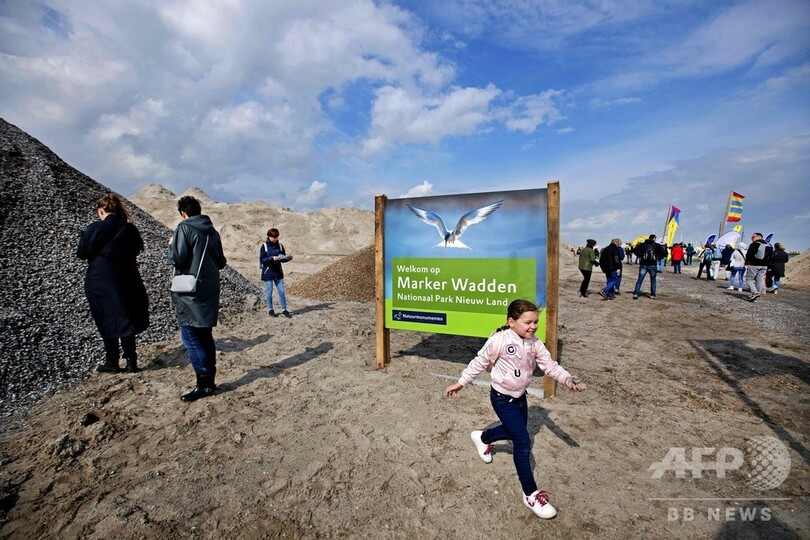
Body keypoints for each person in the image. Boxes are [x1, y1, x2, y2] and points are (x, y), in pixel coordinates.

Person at [444, 299, 586, 519]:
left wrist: (566, 378)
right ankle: (530, 493)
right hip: (501, 399)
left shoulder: (535, 343)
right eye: (527, 322)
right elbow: (479, 362)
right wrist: (461, 382)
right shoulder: (499, 340)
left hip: (520, 398)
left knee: (513, 432)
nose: (533, 326)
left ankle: (483, 438)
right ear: (511, 321)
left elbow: (549, 365)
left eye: (536, 322)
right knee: (522, 441)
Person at [77, 193, 149, 373]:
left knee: (105, 317)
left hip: (100, 280)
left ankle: (112, 361)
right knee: (126, 316)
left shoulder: (94, 228)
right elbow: (137, 249)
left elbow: (82, 253)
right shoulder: (129, 229)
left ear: (101, 210)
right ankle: (131, 361)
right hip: (127, 277)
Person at [167, 195, 228, 401]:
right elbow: (221, 262)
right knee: (205, 335)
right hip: (209, 289)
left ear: (183, 213)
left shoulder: (184, 228)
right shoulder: (213, 232)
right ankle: (208, 381)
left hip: (190, 292)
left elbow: (176, 258)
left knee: (191, 336)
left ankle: (204, 384)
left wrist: (171, 244)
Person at [260, 228, 293, 317]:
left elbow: (282, 259)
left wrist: (287, 258)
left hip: (278, 272)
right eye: (272, 237)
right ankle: (270, 309)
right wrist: (272, 258)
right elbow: (262, 260)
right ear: (268, 236)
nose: (274, 238)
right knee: (269, 292)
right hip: (268, 272)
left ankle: (284, 309)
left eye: (276, 237)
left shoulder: (280, 246)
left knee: (281, 291)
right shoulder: (264, 246)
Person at [632, 234, 666, 299]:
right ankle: (652, 294)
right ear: (654, 238)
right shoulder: (657, 245)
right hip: (653, 264)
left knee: (640, 279)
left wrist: (641, 255)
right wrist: (658, 257)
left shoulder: (642, 245)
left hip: (643, 264)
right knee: (653, 280)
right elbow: (664, 253)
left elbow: (635, 250)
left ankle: (636, 293)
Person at [744, 232, 773, 302]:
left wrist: (746, 263)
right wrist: (769, 266)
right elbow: (771, 257)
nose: (752, 239)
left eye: (753, 237)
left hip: (754, 264)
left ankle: (755, 292)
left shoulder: (754, 244)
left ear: (758, 237)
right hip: (764, 265)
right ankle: (756, 297)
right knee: (759, 280)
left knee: (749, 279)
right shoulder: (769, 245)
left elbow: (749, 255)